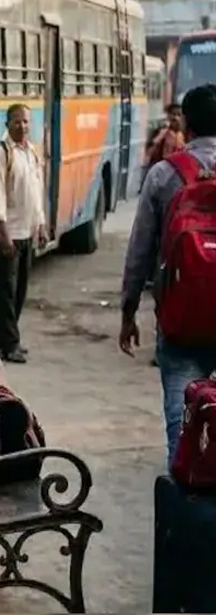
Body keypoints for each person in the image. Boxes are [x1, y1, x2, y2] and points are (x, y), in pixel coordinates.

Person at [121, 84, 216, 464]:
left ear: (186, 126)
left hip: (180, 319)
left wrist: (128, 313)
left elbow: (140, 250)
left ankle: (187, 502)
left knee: (182, 418)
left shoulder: (164, 174)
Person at [0, 104, 47, 364]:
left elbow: (36, 192)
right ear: (7, 124)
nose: (22, 127)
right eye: (17, 122)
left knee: (19, 291)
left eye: (26, 122)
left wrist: (41, 225)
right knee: (6, 293)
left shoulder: (31, 152)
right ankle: (11, 344)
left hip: (27, 232)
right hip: (6, 235)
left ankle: (1, 340)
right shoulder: (0, 155)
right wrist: (3, 233)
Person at [146, 103, 186, 171]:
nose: (175, 118)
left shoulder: (185, 135)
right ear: (168, 115)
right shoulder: (160, 132)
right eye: (173, 114)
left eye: (178, 115)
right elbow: (149, 153)